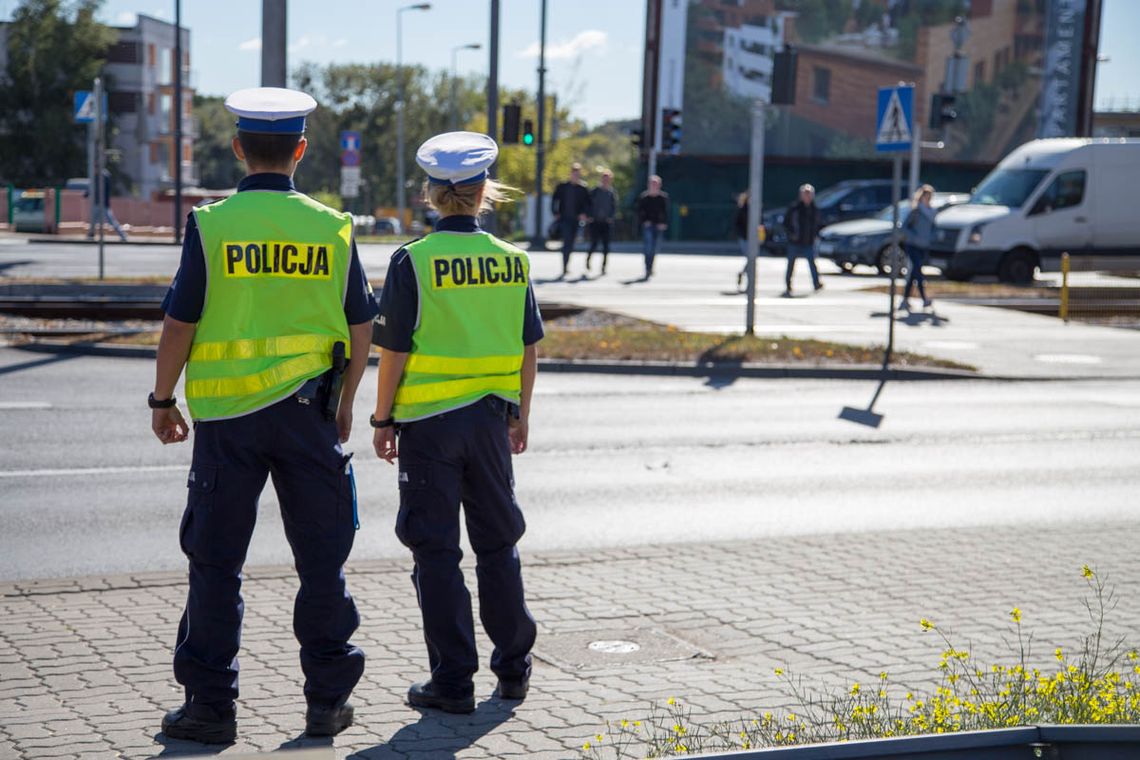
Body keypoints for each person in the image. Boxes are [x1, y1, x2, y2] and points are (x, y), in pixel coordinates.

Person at [150, 87, 376, 743]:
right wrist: (346, 404)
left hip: (227, 423)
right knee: (322, 565)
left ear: (239, 148)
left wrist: (162, 400)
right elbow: (362, 326)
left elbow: (179, 323)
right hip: (310, 418)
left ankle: (210, 709)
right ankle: (326, 704)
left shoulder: (212, 225)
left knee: (216, 565)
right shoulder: (333, 227)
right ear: (301, 151)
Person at [371, 131, 542, 715]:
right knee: (499, 545)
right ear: (483, 191)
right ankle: (514, 669)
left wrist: (381, 417)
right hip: (492, 424)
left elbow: (392, 349)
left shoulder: (412, 261)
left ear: (431, 194)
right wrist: (519, 412)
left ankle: (452, 682)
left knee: (436, 552)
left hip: (429, 429)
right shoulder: (511, 261)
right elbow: (528, 349)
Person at [901, 184, 936, 312]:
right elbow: (904, 227)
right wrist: (914, 236)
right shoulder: (916, 211)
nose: (927, 199)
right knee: (917, 270)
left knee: (914, 273)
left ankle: (905, 300)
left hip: (924, 246)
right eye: (925, 196)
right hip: (912, 245)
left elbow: (934, 229)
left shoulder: (932, 212)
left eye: (929, 196)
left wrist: (932, 238)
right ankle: (924, 298)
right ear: (921, 197)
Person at [783, 183, 823, 296]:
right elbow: (786, 223)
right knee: (791, 265)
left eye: (809, 194)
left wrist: (815, 235)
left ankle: (816, 283)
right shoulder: (794, 208)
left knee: (812, 263)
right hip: (794, 242)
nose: (807, 196)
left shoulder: (814, 209)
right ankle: (788, 285)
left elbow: (818, 224)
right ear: (800, 195)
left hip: (808, 242)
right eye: (805, 194)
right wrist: (791, 235)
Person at [551, 162, 590, 278]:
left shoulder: (583, 188)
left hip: (576, 220)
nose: (575, 176)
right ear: (570, 174)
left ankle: (566, 264)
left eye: (577, 174)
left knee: (571, 243)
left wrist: (584, 214)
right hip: (564, 218)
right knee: (567, 242)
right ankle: (564, 266)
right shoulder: (562, 187)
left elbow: (588, 204)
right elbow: (554, 200)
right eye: (574, 174)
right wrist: (555, 212)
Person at [635, 174, 669, 278]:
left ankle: (651, 267)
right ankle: (647, 267)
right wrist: (644, 222)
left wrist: (663, 223)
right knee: (648, 247)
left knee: (654, 248)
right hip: (648, 226)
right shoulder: (644, 197)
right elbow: (639, 212)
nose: (654, 186)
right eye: (652, 184)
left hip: (658, 226)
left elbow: (665, 212)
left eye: (656, 184)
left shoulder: (663, 197)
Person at [586, 168, 617, 275]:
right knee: (593, 243)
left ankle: (603, 266)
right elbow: (588, 204)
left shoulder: (611, 192)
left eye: (608, 179)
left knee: (606, 246)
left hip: (606, 223)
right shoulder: (595, 191)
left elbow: (614, 207)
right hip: (595, 222)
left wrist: (611, 217)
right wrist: (589, 216)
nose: (605, 181)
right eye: (604, 179)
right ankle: (588, 260)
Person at [86, 169, 128, 241]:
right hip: (97, 202)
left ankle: (123, 235)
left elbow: (104, 190)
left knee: (111, 221)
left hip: (103, 203)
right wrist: (87, 193)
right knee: (93, 219)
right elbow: (94, 188)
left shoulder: (104, 176)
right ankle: (91, 234)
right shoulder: (96, 177)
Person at [734, 191, 749, 290]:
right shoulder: (742, 210)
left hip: (753, 238)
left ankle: (742, 274)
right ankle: (748, 283)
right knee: (750, 259)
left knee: (751, 260)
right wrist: (741, 233)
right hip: (744, 238)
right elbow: (737, 223)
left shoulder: (756, 209)